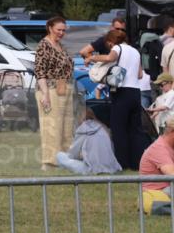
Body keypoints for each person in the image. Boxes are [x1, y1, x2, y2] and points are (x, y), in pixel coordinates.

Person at [84, 28, 147, 170]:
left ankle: (122, 162)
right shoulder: (135, 51)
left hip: (121, 92)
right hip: (135, 92)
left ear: (111, 42)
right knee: (135, 129)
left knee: (119, 129)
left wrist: (91, 58)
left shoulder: (118, 48)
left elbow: (109, 58)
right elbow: (140, 75)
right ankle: (137, 162)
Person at [34, 16, 75, 170]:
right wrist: (45, 94)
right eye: (59, 30)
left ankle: (64, 160)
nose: (61, 33)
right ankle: (50, 162)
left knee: (66, 127)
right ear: (50, 28)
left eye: (64, 30)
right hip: (50, 90)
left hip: (64, 88)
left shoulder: (60, 46)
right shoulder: (43, 45)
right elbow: (40, 72)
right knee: (51, 127)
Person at [56, 109, 122, 175]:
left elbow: (73, 154)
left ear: (81, 117)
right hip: (110, 167)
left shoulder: (83, 128)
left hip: (91, 169)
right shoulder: (103, 128)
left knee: (60, 155)